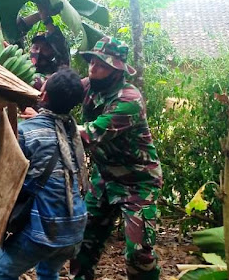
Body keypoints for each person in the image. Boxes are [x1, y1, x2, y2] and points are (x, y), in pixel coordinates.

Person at [71, 37, 163, 280]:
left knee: (139, 254)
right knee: (81, 244)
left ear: (117, 69)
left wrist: (55, 123)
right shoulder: (89, 86)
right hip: (104, 177)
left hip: (137, 182)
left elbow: (91, 134)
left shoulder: (129, 99)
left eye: (101, 64)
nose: (93, 67)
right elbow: (57, 89)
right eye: (92, 61)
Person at [0, 68, 88, 280]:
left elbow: (5, 177)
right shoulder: (73, 131)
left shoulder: (27, 132)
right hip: (75, 227)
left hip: (45, 229)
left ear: (43, 96)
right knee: (48, 271)